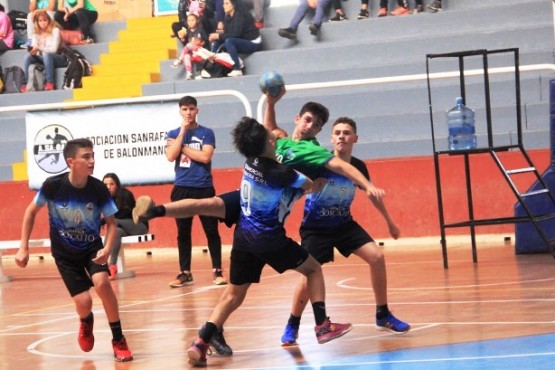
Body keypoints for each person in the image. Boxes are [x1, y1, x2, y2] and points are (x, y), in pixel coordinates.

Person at [186, 117, 352, 367]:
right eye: (273, 136)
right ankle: (322, 325)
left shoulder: (251, 162)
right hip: (268, 238)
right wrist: (314, 184)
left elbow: (287, 174)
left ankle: (201, 342)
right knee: (313, 269)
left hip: (243, 236)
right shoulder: (282, 172)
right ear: (268, 143)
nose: (276, 137)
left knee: (233, 295)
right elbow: (306, 183)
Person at [280, 116, 410, 346]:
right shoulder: (319, 161)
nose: (342, 136)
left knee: (376, 257)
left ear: (355, 139)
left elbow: (371, 193)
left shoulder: (358, 167)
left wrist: (389, 221)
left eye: (347, 132)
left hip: (343, 224)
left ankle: (383, 314)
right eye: (337, 132)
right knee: (308, 276)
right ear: (331, 138)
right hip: (316, 228)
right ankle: (293, 323)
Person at [14, 138, 133, 362]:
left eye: (92, 156)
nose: (92, 161)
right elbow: (30, 212)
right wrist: (23, 247)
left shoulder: (98, 188)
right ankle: (86, 321)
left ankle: (118, 339)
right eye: (86, 157)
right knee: (84, 302)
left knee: (103, 283)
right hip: (64, 254)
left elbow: (112, 224)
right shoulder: (53, 185)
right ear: (71, 161)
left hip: (91, 248)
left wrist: (107, 249)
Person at [166, 95, 227, 288]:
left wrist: (182, 147)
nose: (188, 113)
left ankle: (217, 270)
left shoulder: (206, 133)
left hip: (204, 187)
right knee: (183, 232)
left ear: (197, 110)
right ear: (180, 111)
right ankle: (185, 273)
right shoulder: (173, 132)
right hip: (182, 188)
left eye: (191, 109)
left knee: (211, 230)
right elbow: (170, 155)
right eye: (184, 109)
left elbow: (205, 157)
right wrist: (182, 133)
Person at [102, 173, 148, 280]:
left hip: (137, 225)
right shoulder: (103, 198)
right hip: (121, 228)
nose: (108, 187)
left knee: (114, 223)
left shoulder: (126, 194)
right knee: (116, 231)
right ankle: (112, 266)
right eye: (105, 185)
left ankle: (103, 258)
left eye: (111, 184)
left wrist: (104, 220)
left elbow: (127, 214)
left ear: (117, 185)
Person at [209, 0, 262, 77]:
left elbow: (236, 34)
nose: (224, 5)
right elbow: (227, 33)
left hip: (253, 42)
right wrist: (217, 36)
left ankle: (238, 69)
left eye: (227, 3)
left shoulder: (240, 15)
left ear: (233, 4)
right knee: (218, 41)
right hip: (241, 40)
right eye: (223, 4)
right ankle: (212, 66)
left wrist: (219, 36)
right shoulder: (227, 16)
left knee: (228, 41)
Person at [21, 10, 67, 92]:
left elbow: (54, 50)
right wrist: (33, 51)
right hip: (44, 58)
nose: (43, 23)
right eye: (40, 21)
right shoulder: (36, 33)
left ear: (49, 20)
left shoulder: (55, 30)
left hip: (59, 58)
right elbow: (35, 46)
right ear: (37, 22)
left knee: (46, 54)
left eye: (45, 20)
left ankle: (50, 83)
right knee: (27, 57)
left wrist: (39, 48)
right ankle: (26, 83)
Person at [171, 14, 208, 80]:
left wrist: (199, 45)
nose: (191, 22)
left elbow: (205, 41)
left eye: (193, 20)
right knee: (186, 56)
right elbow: (186, 41)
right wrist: (182, 38)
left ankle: (179, 60)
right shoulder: (187, 32)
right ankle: (189, 73)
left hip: (199, 50)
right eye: (189, 21)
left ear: (197, 21)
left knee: (189, 45)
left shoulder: (201, 30)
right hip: (192, 51)